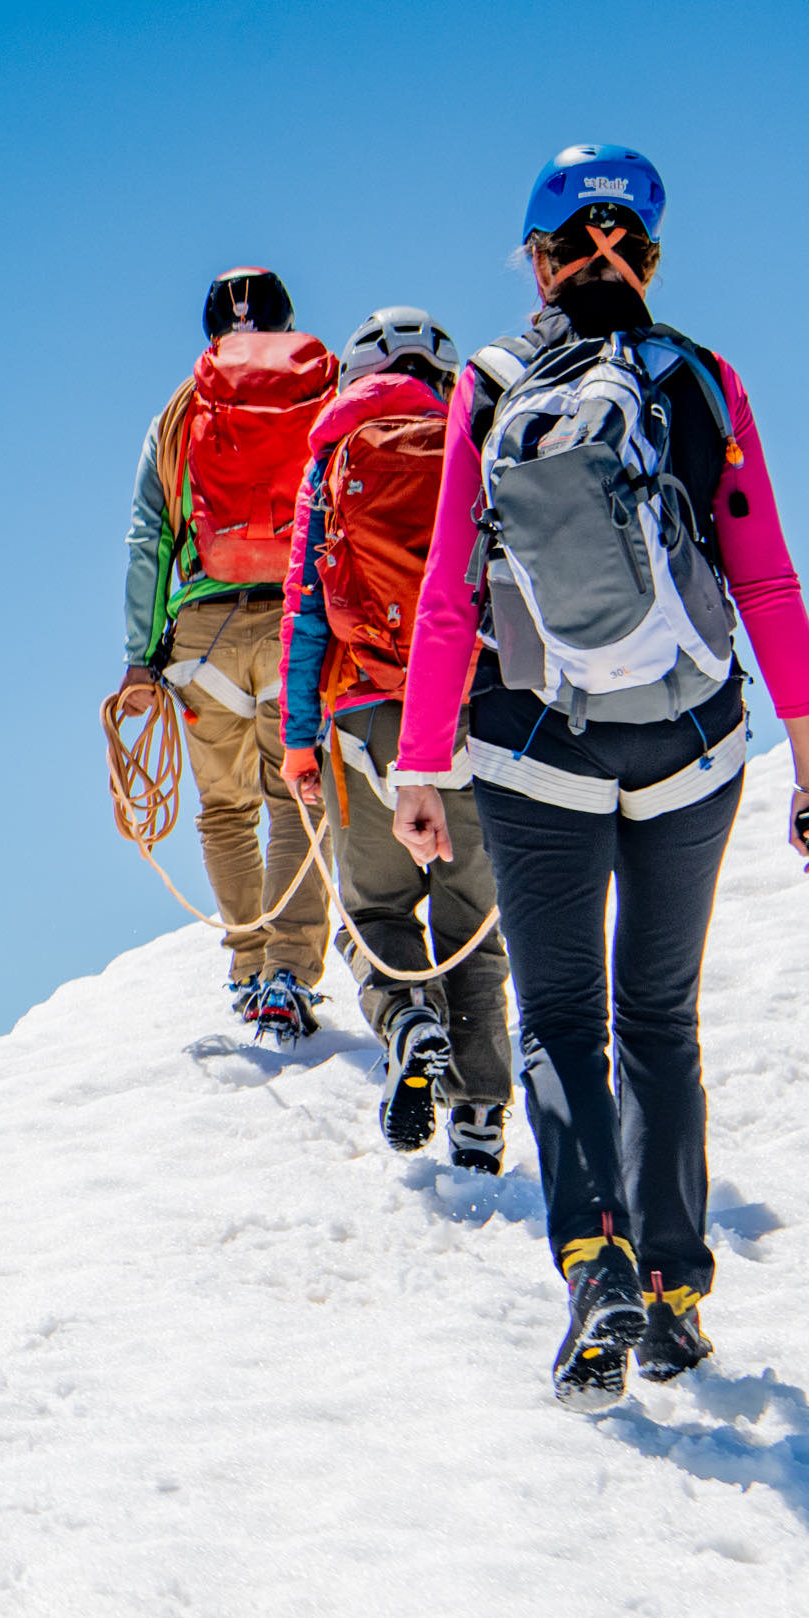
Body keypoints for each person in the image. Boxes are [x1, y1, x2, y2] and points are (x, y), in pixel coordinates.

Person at [388, 145, 809, 1409]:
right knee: (658, 1016)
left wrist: (420, 765)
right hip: (694, 745)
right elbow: (767, 578)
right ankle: (678, 1293)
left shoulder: (486, 384)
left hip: (536, 746)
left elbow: (447, 596)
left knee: (558, 1022)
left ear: (537, 260)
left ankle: (595, 1271)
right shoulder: (702, 377)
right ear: (649, 256)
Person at [279, 307, 512, 1171]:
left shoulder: (332, 457)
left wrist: (300, 740)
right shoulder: (476, 444)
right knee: (473, 924)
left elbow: (304, 614)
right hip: (470, 709)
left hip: (362, 720)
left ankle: (407, 1021)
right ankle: (481, 1112)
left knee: (375, 909)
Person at [119, 268, 340, 1043]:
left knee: (225, 810)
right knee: (298, 801)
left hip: (200, 635)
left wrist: (139, 659)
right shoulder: (324, 392)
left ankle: (247, 970)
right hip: (296, 625)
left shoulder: (178, 419)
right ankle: (291, 975)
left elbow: (151, 541)